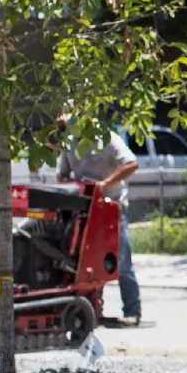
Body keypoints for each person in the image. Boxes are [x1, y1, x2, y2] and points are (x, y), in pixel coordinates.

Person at [54, 116, 143, 327]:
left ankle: (132, 311)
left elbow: (131, 164)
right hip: (83, 211)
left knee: (121, 261)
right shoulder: (69, 143)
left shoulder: (108, 138)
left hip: (110, 209)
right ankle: (93, 311)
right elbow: (62, 175)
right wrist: (76, 186)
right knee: (85, 263)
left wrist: (103, 185)